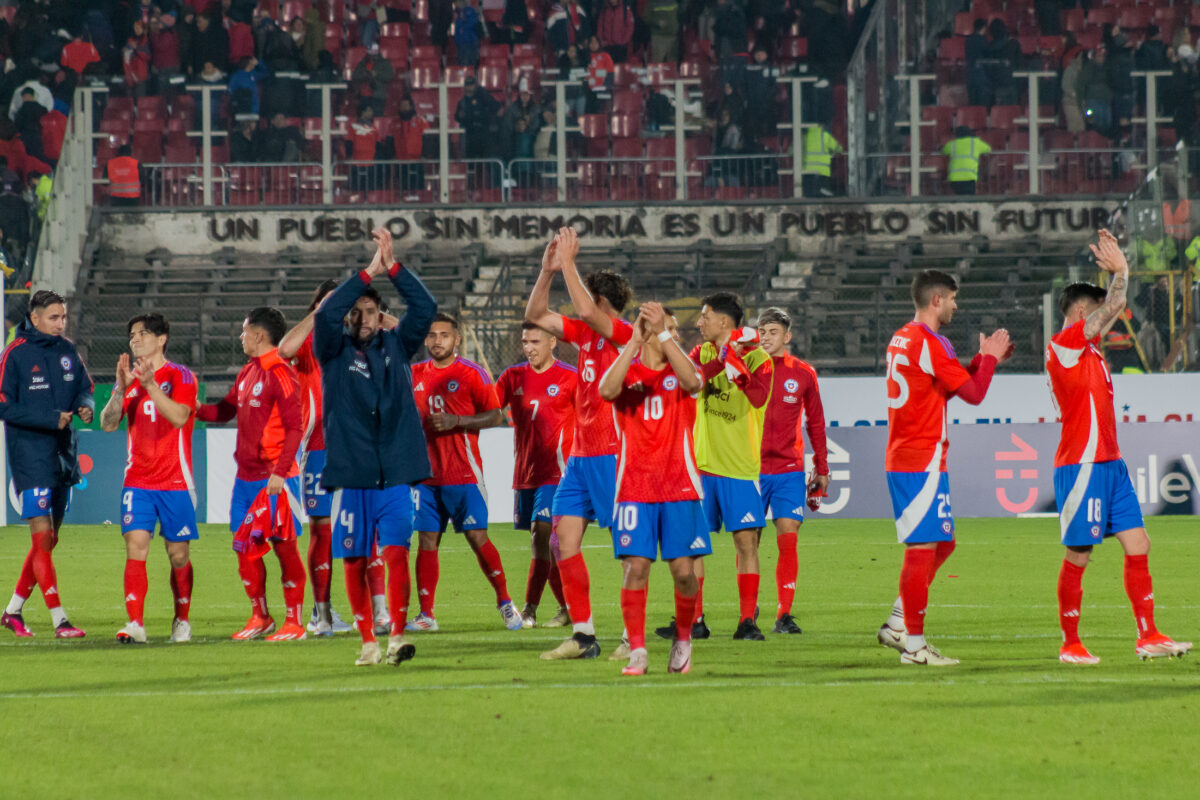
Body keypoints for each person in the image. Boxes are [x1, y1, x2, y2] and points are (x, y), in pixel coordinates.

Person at [1048, 230, 1191, 664]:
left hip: (1111, 464)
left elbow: (1112, 308)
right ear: (1078, 311)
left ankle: (1147, 635)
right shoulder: (1066, 345)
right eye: (1095, 309)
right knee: (1080, 552)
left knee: (1139, 543)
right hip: (1082, 464)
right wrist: (1122, 270)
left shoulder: (1091, 353)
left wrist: (1119, 277)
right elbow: (1113, 306)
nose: (1106, 317)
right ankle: (1070, 643)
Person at [314, 228, 437, 666]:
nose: (362, 318)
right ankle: (367, 639)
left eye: (371, 311)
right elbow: (324, 317)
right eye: (356, 311)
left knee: (396, 554)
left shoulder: (399, 345)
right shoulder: (331, 350)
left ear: (383, 316)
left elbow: (426, 308)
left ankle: (396, 636)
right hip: (352, 475)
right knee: (354, 559)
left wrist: (394, 268)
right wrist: (366, 273)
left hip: (396, 478)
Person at [876, 270, 1011, 666]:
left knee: (942, 542)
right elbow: (974, 394)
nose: (956, 305)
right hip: (919, 458)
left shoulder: (907, 336)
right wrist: (988, 361)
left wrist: (979, 360)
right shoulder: (928, 342)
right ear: (937, 300)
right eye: (953, 298)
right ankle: (913, 646)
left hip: (915, 455)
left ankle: (899, 622)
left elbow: (948, 381)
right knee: (922, 548)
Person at [526, 227, 635, 660]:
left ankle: (632, 635)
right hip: (580, 457)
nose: (575, 301)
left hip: (612, 455)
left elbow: (589, 311)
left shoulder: (620, 332)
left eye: (582, 294)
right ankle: (585, 635)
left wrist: (569, 262)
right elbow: (536, 312)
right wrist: (547, 270)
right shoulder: (585, 333)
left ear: (600, 301)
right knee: (562, 540)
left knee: (628, 548)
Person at [599, 302, 706, 676]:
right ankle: (639, 650)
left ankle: (682, 640)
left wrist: (661, 332)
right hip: (634, 488)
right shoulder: (626, 375)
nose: (672, 335)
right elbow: (605, 390)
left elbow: (694, 382)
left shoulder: (683, 373)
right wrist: (633, 341)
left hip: (680, 487)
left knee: (683, 573)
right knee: (636, 567)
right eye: (666, 329)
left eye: (675, 330)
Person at [196, 306, 308, 641]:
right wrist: (191, 408)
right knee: (244, 548)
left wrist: (281, 472)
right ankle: (261, 616)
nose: (241, 337)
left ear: (258, 335)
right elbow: (223, 411)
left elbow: (294, 428)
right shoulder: (248, 372)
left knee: (284, 547)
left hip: (275, 478)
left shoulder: (281, 374)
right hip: (245, 479)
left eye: (244, 331)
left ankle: (295, 622)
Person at [410, 313, 521, 632]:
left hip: (465, 474)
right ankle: (426, 615)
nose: (437, 341)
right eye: (431, 335)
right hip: (426, 477)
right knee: (427, 540)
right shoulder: (414, 374)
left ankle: (504, 602)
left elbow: (496, 416)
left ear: (457, 339)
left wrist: (457, 422)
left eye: (444, 335)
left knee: (477, 537)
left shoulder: (472, 373)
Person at [98, 313, 198, 644]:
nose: (135, 340)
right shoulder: (125, 379)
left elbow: (180, 416)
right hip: (138, 481)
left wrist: (149, 385)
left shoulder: (181, 376)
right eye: (131, 335)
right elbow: (108, 424)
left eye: (142, 334)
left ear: (162, 338)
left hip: (175, 481)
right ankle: (135, 623)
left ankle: (181, 620)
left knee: (178, 555)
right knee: (135, 547)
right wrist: (120, 390)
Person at [0, 291, 93, 639]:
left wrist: (85, 406)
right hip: (30, 455)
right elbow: (2, 405)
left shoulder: (68, 350)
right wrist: (48, 418)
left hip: (63, 454)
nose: (60, 324)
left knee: (49, 540)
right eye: (53, 317)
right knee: (41, 537)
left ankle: (11, 611)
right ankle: (59, 620)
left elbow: (85, 387)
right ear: (35, 318)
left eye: (63, 317)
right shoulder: (15, 354)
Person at [689, 293, 773, 641]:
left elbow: (757, 398)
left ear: (724, 322)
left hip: (740, 468)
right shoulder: (701, 352)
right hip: (702, 465)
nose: (699, 322)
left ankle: (746, 621)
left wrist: (735, 365)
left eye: (705, 316)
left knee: (746, 544)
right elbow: (693, 381)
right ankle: (695, 620)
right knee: (693, 545)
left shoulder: (760, 358)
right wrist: (723, 358)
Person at [277, 280, 356, 637]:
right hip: (321, 449)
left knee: (368, 530)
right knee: (322, 531)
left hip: (361, 448)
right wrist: (318, 311)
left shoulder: (362, 341)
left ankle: (375, 611)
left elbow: (400, 333)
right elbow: (283, 349)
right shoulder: (310, 343)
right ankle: (320, 614)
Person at [495, 323, 576, 628]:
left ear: (553, 342)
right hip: (525, 472)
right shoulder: (512, 376)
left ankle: (530, 608)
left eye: (535, 341)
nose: (529, 347)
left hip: (557, 473)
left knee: (541, 531)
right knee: (539, 544)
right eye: (525, 342)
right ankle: (564, 607)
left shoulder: (570, 377)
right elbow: (490, 407)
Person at [756, 307, 829, 635]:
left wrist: (822, 467)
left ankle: (783, 614)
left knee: (788, 537)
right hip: (749, 469)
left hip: (788, 469)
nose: (766, 337)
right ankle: (749, 610)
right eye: (762, 331)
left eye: (772, 332)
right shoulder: (746, 369)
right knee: (749, 543)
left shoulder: (803, 373)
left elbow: (816, 423)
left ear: (787, 336)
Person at [455, 76, 501, 159]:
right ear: (465, 87)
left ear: (475, 86)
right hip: (470, 134)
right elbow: (457, 117)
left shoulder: (483, 98)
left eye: (471, 85)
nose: (469, 87)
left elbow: (495, 106)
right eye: (468, 85)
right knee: (471, 162)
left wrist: (482, 91)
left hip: (484, 133)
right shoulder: (462, 102)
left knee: (486, 161)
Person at [941, 126, 991, 195]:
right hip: (970, 177)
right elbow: (988, 149)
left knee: (958, 199)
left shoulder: (952, 144)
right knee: (969, 200)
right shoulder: (976, 142)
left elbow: (944, 151)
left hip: (955, 178)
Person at [801, 122, 842, 198]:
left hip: (807, 172)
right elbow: (839, 149)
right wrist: (831, 152)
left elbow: (791, 151)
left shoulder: (805, 137)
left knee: (808, 197)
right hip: (823, 172)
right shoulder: (825, 136)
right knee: (824, 197)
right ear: (821, 126)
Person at [452, 0, 483, 67]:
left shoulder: (470, 11)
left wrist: (460, 19)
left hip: (470, 42)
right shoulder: (457, 13)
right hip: (461, 43)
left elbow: (471, 24)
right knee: (462, 64)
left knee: (469, 64)